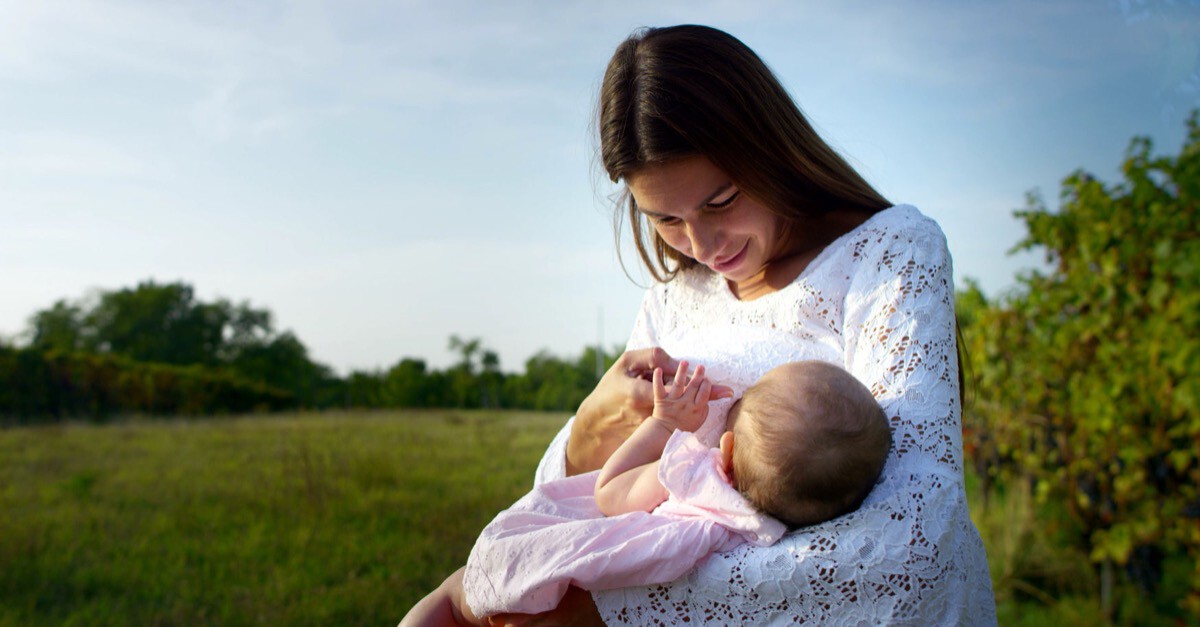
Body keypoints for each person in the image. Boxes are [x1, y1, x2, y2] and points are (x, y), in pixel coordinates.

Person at [499, 24, 996, 625]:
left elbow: (913, 537)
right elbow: (568, 503)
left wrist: (599, 607)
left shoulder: (886, 257)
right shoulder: (674, 299)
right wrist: (585, 433)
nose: (702, 244)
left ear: (768, 148)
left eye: (721, 200)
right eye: (666, 219)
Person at [401, 359, 892, 626]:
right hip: (589, 608)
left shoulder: (695, 477)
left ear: (726, 453)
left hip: (545, 575)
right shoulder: (764, 527)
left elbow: (609, 493)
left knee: (450, 599)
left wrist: (662, 424)